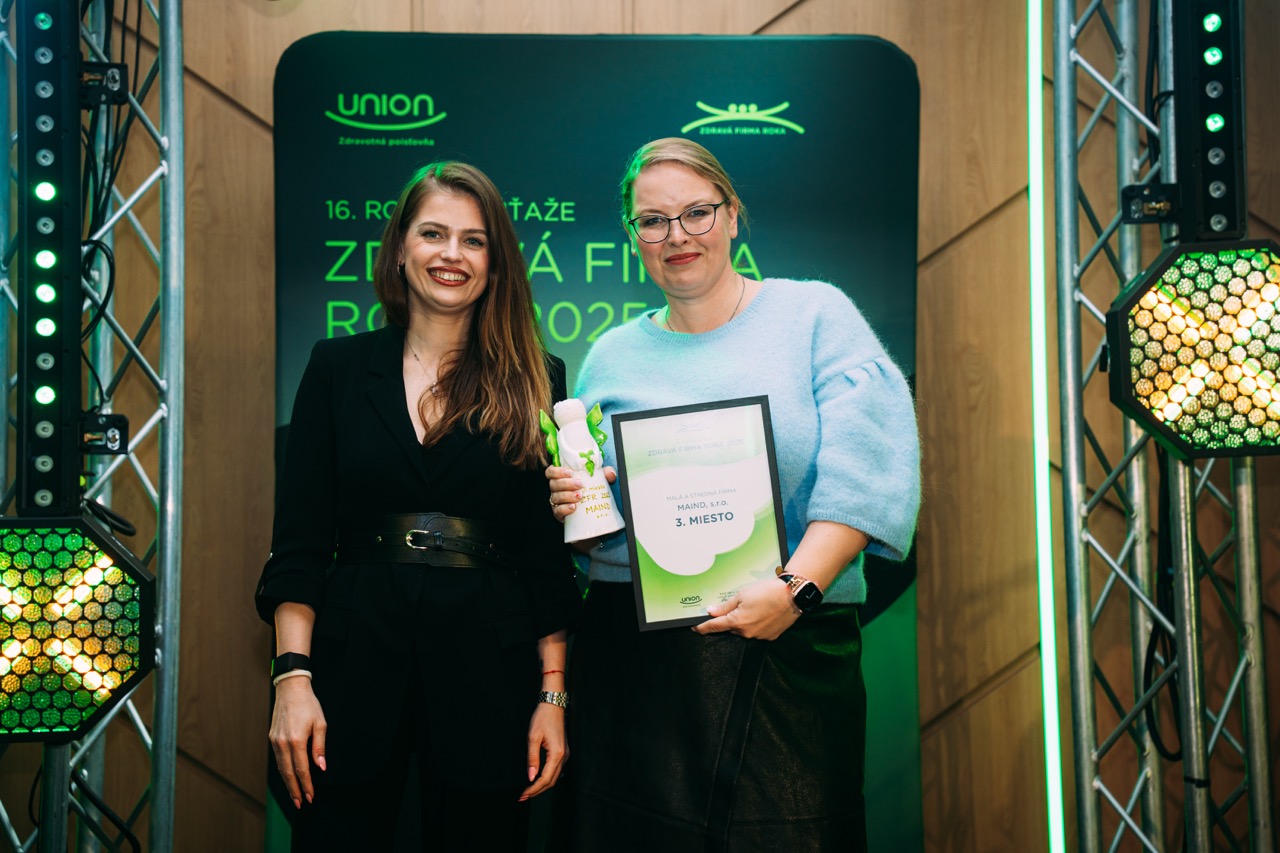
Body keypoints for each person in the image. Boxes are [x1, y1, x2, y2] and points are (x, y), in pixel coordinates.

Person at [547, 138, 921, 852]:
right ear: (632, 234)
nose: (677, 235)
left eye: (697, 212)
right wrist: (578, 505)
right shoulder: (610, 357)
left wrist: (795, 590)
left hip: (790, 651)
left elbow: (867, 475)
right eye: (652, 221)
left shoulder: (815, 316)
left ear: (733, 214)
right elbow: (599, 533)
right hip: (638, 673)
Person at [256, 161, 580, 852]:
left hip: (490, 677)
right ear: (400, 247)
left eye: (474, 240)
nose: (451, 254)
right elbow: (300, 542)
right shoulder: (336, 367)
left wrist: (552, 697)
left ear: (495, 262)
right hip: (348, 672)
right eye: (433, 233)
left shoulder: (536, 376)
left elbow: (543, 559)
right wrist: (292, 678)